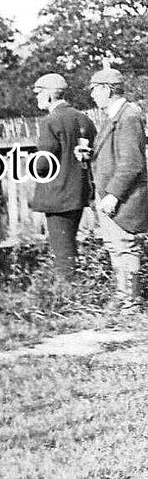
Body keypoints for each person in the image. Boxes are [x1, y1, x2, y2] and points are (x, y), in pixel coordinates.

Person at [82, 68, 147, 310]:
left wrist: (113, 194)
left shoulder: (128, 116)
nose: (92, 96)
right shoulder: (115, 115)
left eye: (94, 90)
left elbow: (132, 163)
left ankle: (132, 300)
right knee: (114, 245)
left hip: (122, 196)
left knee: (124, 245)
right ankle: (123, 295)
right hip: (110, 194)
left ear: (106, 89)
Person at [27, 73, 97, 280]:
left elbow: (42, 164)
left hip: (57, 194)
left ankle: (66, 294)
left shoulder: (50, 121)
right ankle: (73, 287)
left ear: (49, 95)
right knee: (69, 243)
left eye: (39, 93)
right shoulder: (84, 118)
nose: (37, 98)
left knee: (62, 249)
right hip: (79, 191)